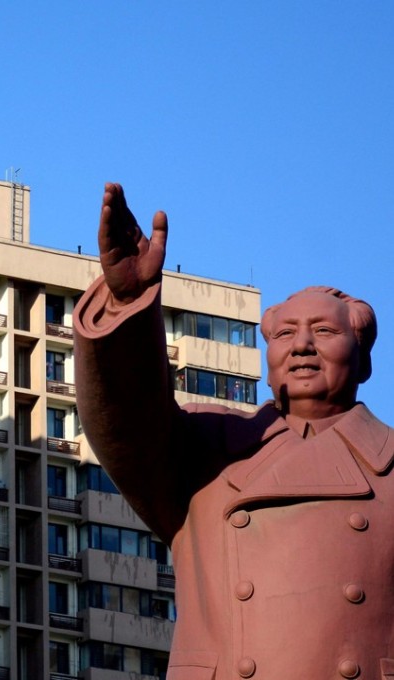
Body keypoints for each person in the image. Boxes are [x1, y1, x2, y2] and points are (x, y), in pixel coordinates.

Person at [73, 183, 392, 680]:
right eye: (285, 334)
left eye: (325, 332)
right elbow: (125, 414)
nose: (302, 346)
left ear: (364, 359)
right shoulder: (207, 450)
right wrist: (128, 299)